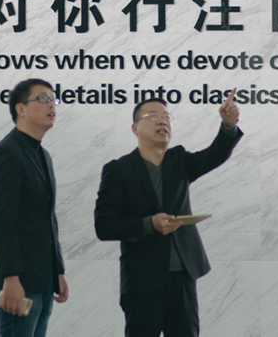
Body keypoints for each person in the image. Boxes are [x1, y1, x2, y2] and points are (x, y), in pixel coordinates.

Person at [94, 89, 243, 337]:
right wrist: (149, 224)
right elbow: (104, 226)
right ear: (135, 128)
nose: (162, 121)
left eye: (166, 116)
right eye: (153, 116)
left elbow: (215, 154)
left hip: (183, 276)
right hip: (142, 282)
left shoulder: (179, 160)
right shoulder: (118, 170)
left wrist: (228, 125)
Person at [0, 78, 69, 337]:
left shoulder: (43, 155)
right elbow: (2, 221)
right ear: (20, 109)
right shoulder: (8, 152)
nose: (51, 105)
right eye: (43, 98)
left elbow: (48, 219)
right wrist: (10, 277)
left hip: (43, 278)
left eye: (53, 99)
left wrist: (58, 270)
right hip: (18, 281)